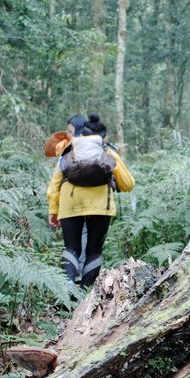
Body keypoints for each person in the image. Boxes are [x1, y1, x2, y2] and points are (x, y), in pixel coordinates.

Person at [47, 114, 135, 286]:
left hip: (70, 203)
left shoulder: (68, 151)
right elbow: (129, 184)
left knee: (71, 248)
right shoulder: (107, 152)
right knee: (94, 251)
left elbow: (54, 185)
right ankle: (85, 292)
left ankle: (68, 290)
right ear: (102, 137)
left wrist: (53, 210)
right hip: (100, 207)